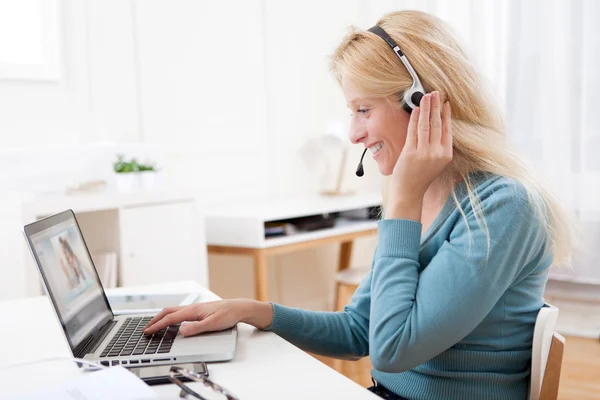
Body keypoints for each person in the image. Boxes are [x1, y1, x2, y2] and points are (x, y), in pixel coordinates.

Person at [143, 10, 575, 400]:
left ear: (422, 103)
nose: (354, 134)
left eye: (364, 109)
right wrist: (254, 311)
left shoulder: (504, 208)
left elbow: (391, 351)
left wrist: (403, 201)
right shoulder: (422, 194)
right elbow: (357, 332)